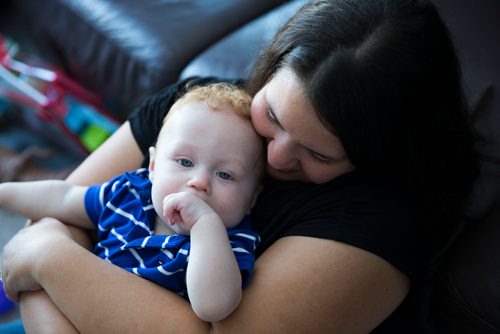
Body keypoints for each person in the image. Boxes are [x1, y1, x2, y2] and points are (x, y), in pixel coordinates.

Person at [1, 0, 479, 332]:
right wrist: (46, 256)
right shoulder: (202, 111)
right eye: (272, 115)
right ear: (269, 71)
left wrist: (48, 261)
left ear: (377, 155)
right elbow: (53, 217)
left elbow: (41, 247)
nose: (275, 157)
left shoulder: (375, 225)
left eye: (318, 154)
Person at [0, 83, 264, 323]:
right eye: (185, 162)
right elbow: (64, 197)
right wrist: (5, 194)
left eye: (225, 175)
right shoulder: (130, 193)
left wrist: (204, 224)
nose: (199, 181)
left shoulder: (229, 244)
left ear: (251, 199)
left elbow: (213, 306)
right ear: (152, 165)